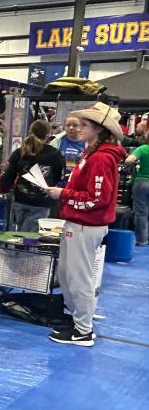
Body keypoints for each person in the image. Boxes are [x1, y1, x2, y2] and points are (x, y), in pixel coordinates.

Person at [45, 104, 126, 346]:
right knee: (69, 276)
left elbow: (97, 198)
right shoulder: (92, 154)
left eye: (85, 125)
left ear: (99, 131)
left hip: (85, 225)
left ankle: (82, 330)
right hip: (80, 223)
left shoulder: (99, 158)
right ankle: (79, 321)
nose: (79, 128)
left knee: (77, 278)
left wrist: (64, 195)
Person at [0, 120, 65, 232]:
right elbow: (60, 176)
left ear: (30, 131)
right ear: (48, 135)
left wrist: (4, 187)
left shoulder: (20, 151)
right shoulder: (55, 154)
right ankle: (21, 249)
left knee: (20, 232)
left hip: (20, 198)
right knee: (30, 237)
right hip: (42, 200)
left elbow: (9, 175)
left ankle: (17, 248)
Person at [125, 132, 149, 246]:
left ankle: (142, 240)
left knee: (141, 213)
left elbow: (129, 160)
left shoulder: (143, 148)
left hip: (142, 182)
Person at [50, 116, 88, 187]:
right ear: (64, 127)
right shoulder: (56, 142)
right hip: (58, 184)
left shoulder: (87, 143)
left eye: (75, 125)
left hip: (78, 184)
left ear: (81, 127)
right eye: (68, 125)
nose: (71, 128)